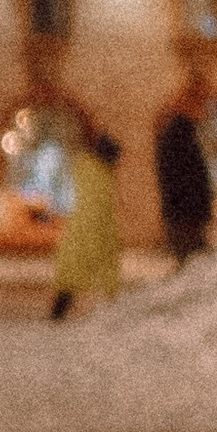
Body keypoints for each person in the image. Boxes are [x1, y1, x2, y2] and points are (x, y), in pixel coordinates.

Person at [51, 128, 124, 318]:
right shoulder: (101, 176)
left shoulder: (85, 170)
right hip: (95, 230)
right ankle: (109, 309)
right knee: (95, 271)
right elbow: (101, 209)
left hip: (79, 229)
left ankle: (59, 310)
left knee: (71, 274)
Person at [154, 102, 214, 264]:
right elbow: (197, 182)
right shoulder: (186, 147)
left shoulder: (168, 147)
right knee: (194, 260)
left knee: (188, 260)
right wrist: (204, 210)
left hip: (178, 215)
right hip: (189, 215)